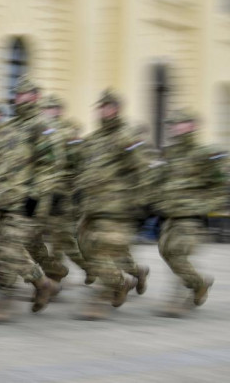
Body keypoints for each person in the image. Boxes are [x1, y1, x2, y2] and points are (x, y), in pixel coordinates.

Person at [0, 76, 61, 324]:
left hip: (26, 202)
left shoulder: (41, 126)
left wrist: (35, 196)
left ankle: (4, 301)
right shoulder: (10, 126)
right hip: (2, 200)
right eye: (16, 94)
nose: (17, 98)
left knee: (8, 249)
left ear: (34, 96)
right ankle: (42, 282)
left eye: (22, 94)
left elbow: (49, 166)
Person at [74, 89, 150, 320]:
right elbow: (84, 169)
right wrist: (77, 191)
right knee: (85, 249)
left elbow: (143, 171)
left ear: (116, 109)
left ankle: (104, 294)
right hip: (91, 206)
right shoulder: (94, 139)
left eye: (107, 106)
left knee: (102, 253)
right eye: (101, 106)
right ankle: (131, 275)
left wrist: (141, 203)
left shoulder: (127, 137)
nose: (103, 110)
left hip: (116, 207)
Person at [152, 109, 224, 317]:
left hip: (191, 215)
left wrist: (205, 206)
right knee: (165, 251)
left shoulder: (206, 153)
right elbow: (161, 181)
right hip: (170, 213)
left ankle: (182, 294)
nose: (174, 128)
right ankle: (199, 283)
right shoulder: (170, 153)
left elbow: (219, 185)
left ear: (191, 125)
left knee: (177, 253)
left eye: (179, 123)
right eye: (172, 124)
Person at [39, 94, 92, 284]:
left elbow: (78, 163)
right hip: (44, 193)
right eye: (43, 109)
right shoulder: (41, 132)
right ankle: (56, 273)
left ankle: (85, 269)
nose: (45, 113)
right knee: (48, 238)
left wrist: (73, 191)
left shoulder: (69, 131)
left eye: (49, 108)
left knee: (61, 238)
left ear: (58, 111)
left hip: (63, 195)